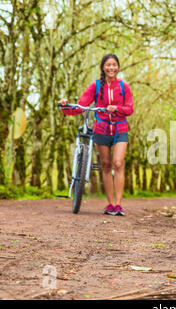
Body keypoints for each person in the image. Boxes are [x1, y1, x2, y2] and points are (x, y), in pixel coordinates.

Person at [58, 53, 133, 216]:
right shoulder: (96, 86)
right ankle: (110, 204)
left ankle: (119, 204)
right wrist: (65, 106)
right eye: (108, 65)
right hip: (101, 129)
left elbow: (130, 109)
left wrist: (117, 109)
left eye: (114, 65)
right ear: (103, 67)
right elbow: (81, 106)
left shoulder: (123, 87)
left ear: (118, 67)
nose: (111, 68)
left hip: (120, 128)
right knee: (105, 165)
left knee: (118, 163)